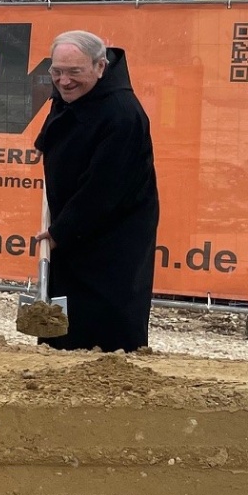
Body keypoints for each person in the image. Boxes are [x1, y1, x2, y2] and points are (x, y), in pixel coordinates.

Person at [34, 30, 160, 352]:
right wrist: (44, 142)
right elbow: (58, 117)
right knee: (65, 317)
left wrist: (61, 231)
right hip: (73, 225)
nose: (64, 81)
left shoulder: (122, 114)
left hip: (112, 234)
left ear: (100, 67)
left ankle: (109, 373)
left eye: (74, 72)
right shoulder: (72, 92)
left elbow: (104, 188)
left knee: (104, 321)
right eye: (57, 71)